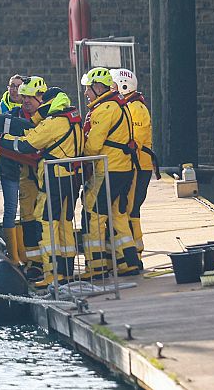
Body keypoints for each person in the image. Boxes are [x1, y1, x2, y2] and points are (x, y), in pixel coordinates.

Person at [0, 82, 84, 288]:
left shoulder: (53, 122)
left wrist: (2, 140)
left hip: (53, 179)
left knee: (47, 224)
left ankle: (51, 273)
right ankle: (65, 271)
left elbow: (26, 144)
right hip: (71, 179)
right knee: (65, 225)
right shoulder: (74, 120)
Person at [80, 67, 142, 278]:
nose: (86, 93)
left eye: (88, 89)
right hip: (124, 168)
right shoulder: (120, 105)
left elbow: (93, 146)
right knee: (118, 214)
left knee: (93, 214)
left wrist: (80, 150)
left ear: (98, 88)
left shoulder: (104, 109)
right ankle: (128, 262)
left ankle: (96, 267)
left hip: (109, 169)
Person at [111, 68, 158, 264]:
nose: (110, 88)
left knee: (131, 209)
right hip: (136, 165)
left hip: (139, 166)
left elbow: (134, 141)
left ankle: (135, 254)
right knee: (130, 209)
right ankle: (133, 252)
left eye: (112, 85)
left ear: (123, 86)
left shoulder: (135, 109)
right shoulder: (129, 105)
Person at [0, 75, 24, 264]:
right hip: (7, 168)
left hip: (26, 168)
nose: (14, 90)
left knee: (28, 211)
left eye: (18, 86)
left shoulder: (29, 109)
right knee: (10, 210)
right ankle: (14, 256)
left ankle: (26, 253)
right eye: (12, 86)